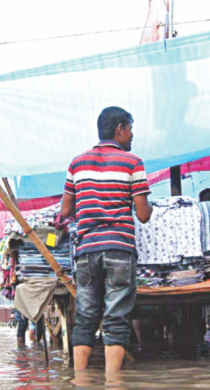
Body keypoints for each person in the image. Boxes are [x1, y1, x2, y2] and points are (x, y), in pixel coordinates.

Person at [61, 106, 153, 372]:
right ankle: (114, 385)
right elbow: (144, 215)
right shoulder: (133, 163)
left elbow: (66, 212)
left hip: (87, 250)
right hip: (119, 249)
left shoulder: (76, 163)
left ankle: (80, 384)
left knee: (85, 317)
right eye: (130, 129)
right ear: (120, 129)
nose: (132, 135)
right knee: (116, 318)